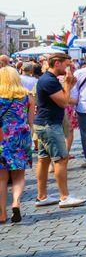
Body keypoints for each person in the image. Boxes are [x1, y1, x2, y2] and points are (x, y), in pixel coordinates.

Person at [33, 53, 85, 208]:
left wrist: (69, 85)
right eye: (66, 65)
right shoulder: (49, 80)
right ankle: (65, 197)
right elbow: (64, 102)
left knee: (43, 160)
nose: (68, 68)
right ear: (57, 63)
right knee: (61, 159)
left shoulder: (48, 79)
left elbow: (62, 97)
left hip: (44, 123)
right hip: (49, 125)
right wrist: (68, 85)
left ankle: (42, 196)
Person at [0, 66, 33, 224]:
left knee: (1, 178)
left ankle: (2, 214)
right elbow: (30, 121)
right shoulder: (26, 96)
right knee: (19, 175)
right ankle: (16, 203)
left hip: (2, 138)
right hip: (21, 137)